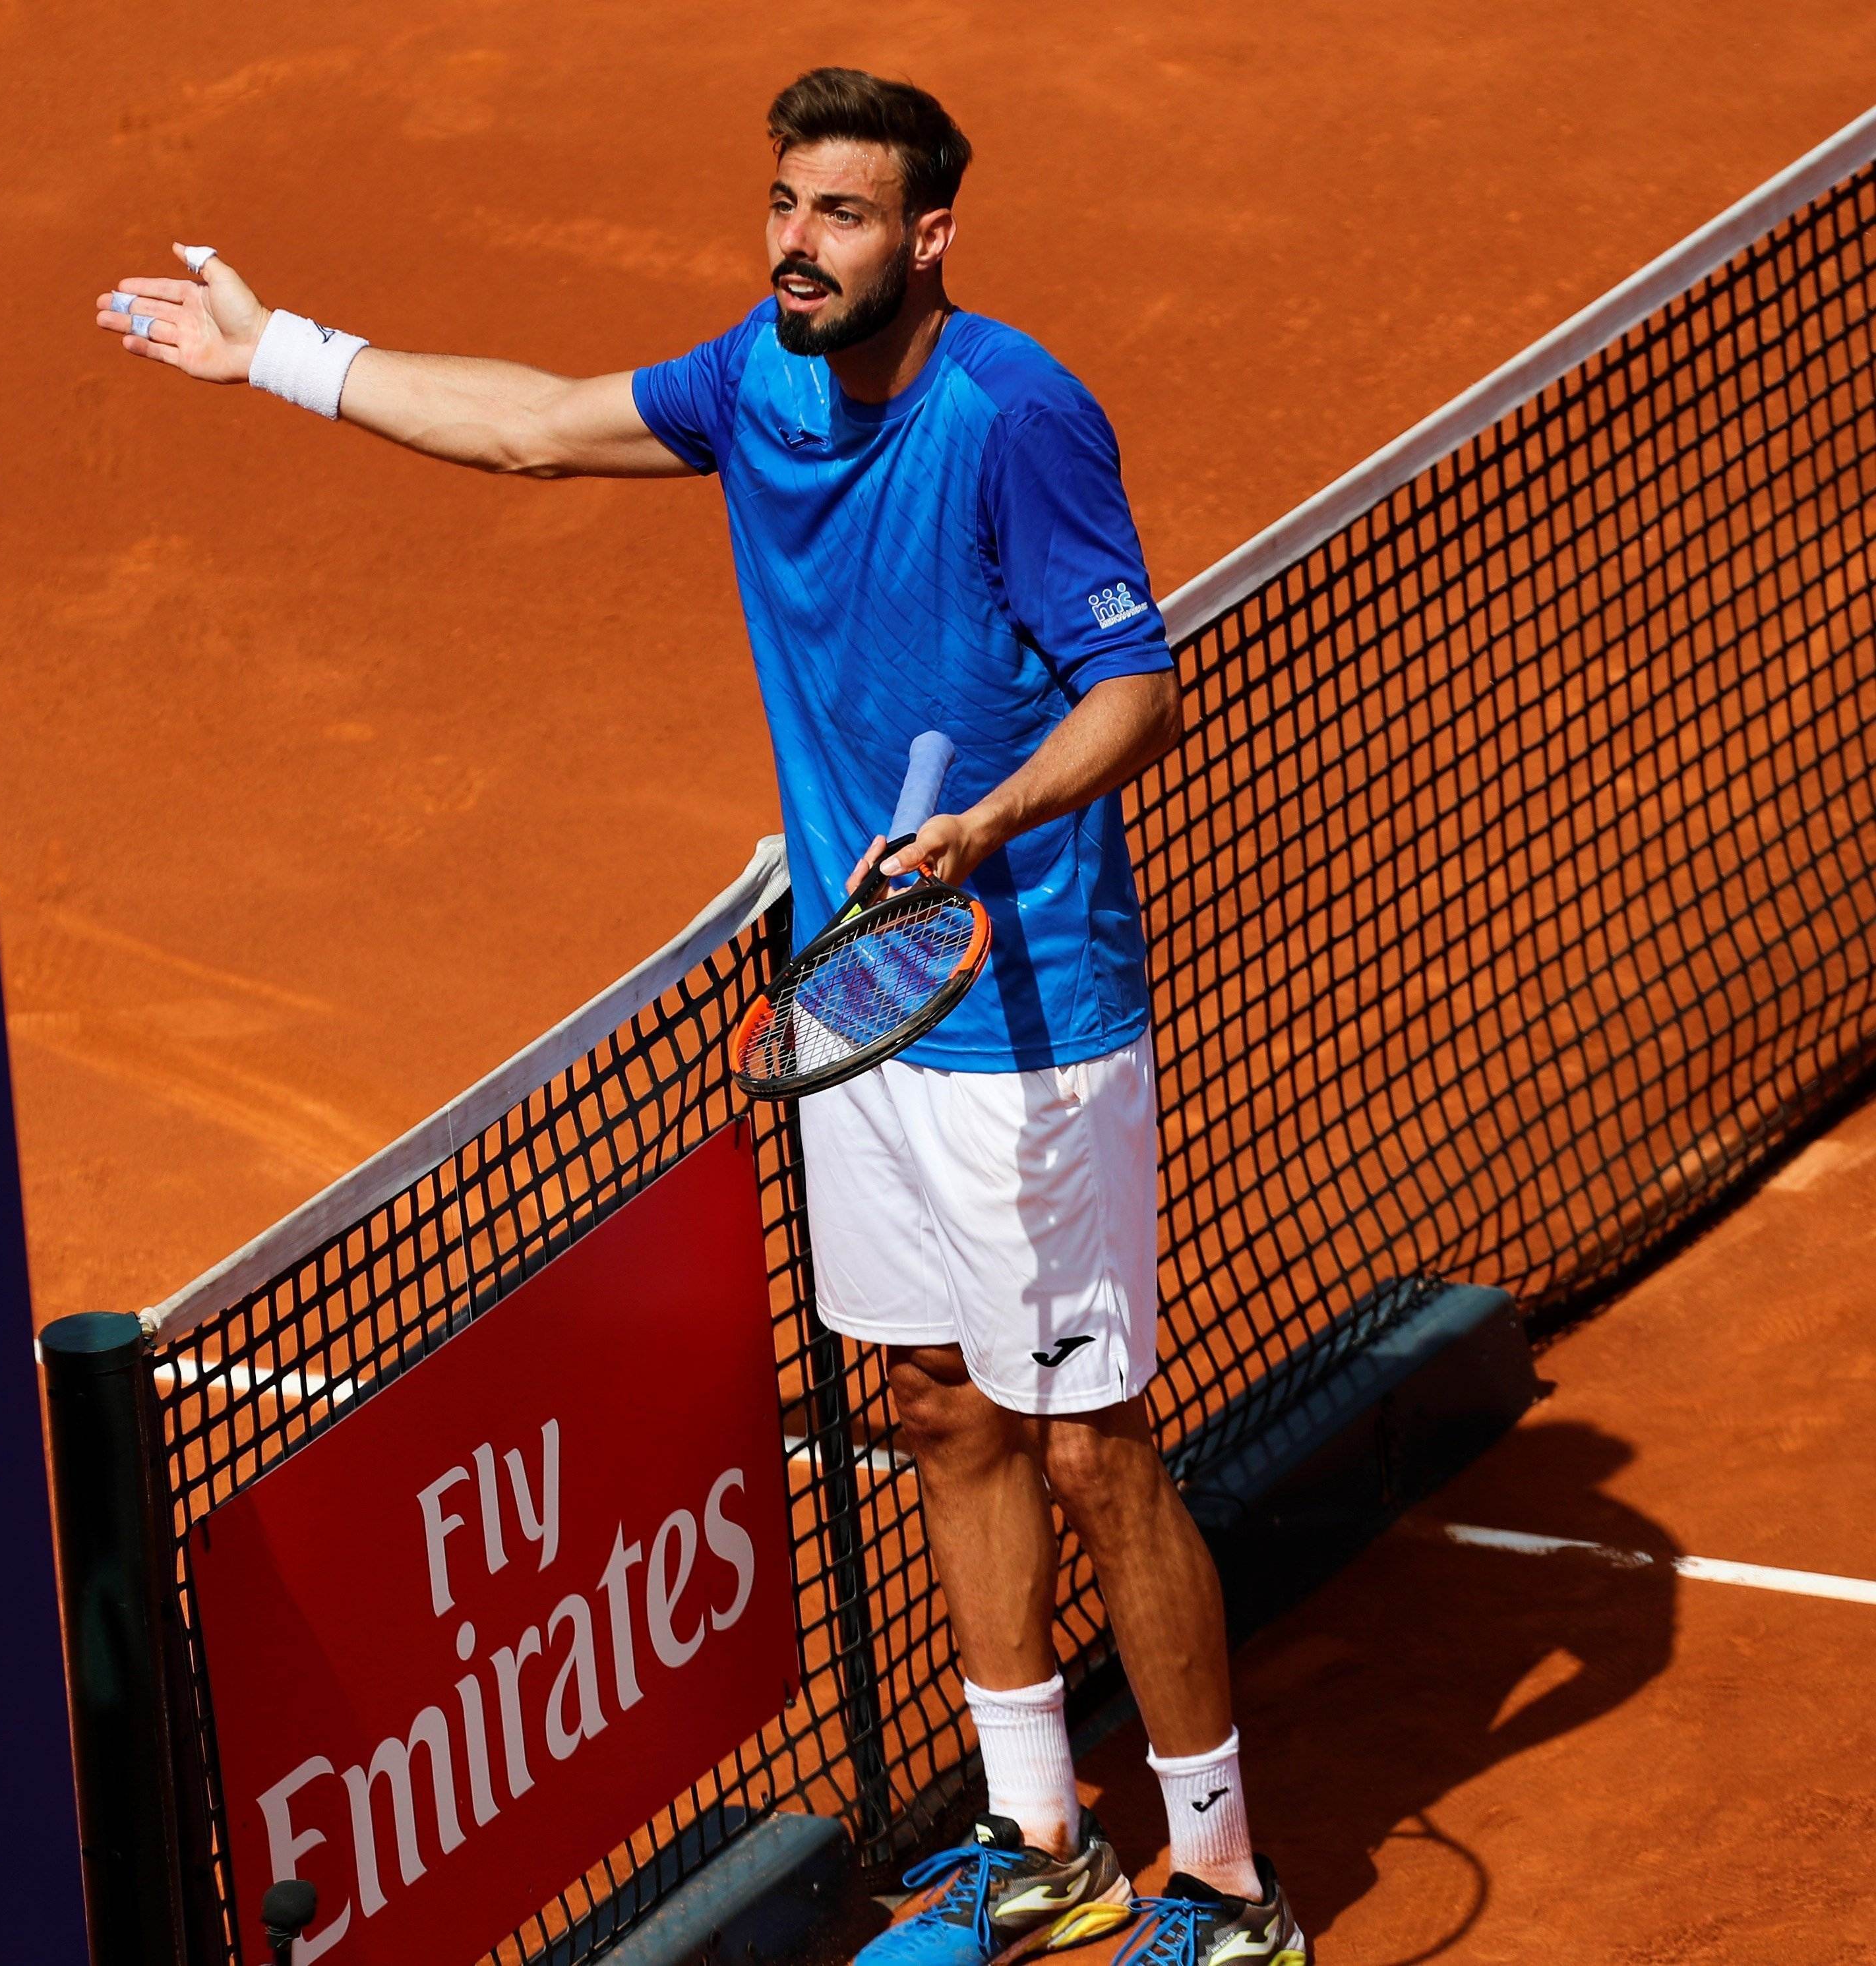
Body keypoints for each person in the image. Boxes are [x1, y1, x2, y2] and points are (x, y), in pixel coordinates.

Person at [92, 66, 1307, 1966]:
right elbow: (534, 426)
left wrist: (983, 821)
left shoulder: (1014, 415)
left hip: (1031, 1013)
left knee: (1088, 1447)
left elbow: (1136, 682)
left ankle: (1228, 1881)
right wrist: (283, 356)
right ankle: (1043, 1837)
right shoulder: (755, 378)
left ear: (928, 238)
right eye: (782, 206)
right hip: (869, 1003)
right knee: (937, 1408)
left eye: (838, 215)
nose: (795, 246)